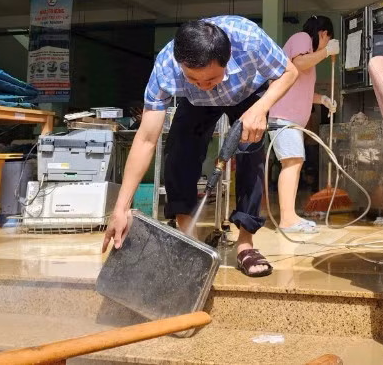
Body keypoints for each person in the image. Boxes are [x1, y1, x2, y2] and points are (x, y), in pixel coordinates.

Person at [102, 16, 299, 278]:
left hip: (248, 94)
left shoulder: (249, 39)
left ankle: (245, 243)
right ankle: (188, 236)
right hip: (194, 104)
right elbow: (146, 139)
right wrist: (120, 208)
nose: (205, 86)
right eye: (193, 79)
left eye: (211, 78)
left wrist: (261, 109)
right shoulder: (166, 65)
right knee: (180, 148)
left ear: (227, 60)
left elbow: (290, 71)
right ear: (181, 65)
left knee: (250, 150)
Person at [267, 16, 340, 233]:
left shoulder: (310, 55)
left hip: (291, 120)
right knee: (292, 164)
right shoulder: (301, 39)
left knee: (294, 164)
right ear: (324, 33)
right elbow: (299, 63)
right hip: (283, 117)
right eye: (328, 40)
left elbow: (302, 90)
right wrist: (326, 52)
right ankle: (287, 220)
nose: (327, 44)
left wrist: (322, 99)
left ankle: (290, 217)